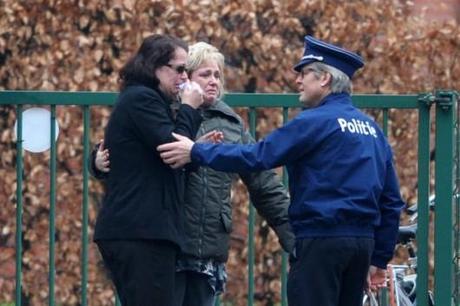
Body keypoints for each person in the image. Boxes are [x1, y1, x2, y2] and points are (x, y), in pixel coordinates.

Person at [157, 36, 405, 306]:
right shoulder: (372, 129)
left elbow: (259, 157)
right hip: (362, 244)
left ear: (324, 80)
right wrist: (379, 258)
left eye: (305, 73)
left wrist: (196, 151)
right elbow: (392, 200)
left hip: (320, 241)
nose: (298, 80)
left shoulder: (313, 122)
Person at [92, 41, 295, 306]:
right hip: (169, 243)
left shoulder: (231, 124)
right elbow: (124, 151)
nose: (213, 81)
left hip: (207, 248)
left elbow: (264, 184)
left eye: (217, 75)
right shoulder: (164, 108)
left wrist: (293, 235)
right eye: (204, 74)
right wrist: (94, 162)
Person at [93, 34, 204, 306]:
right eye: (178, 69)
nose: (184, 78)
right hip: (140, 231)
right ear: (155, 66)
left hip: (143, 231)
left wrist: (197, 153)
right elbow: (174, 151)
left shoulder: (146, 100)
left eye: (186, 71)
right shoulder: (142, 99)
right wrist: (189, 109)